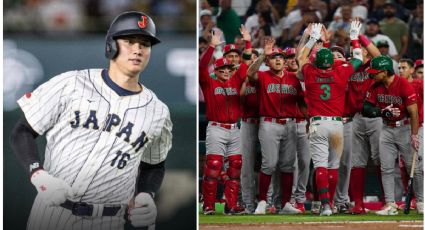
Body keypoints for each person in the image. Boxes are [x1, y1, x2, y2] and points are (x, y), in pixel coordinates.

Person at [10, 11, 172, 230]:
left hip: (109, 220)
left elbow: (155, 165)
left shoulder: (158, 111)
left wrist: (146, 194)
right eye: (129, 41)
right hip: (52, 214)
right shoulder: (72, 83)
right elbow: (21, 131)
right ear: (111, 45)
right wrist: (38, 175)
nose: (137, 49)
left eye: (145, 43)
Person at [296, 20, 363, 216]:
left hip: (318, 124)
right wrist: (353, 37)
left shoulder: (309, 72)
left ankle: (325, 205)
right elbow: (358, 58)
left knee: (320, 167)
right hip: (337, 124)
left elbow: (302, 57)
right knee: (334, 167)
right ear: (332, 62)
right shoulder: (341, 71)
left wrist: (313, 39)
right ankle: (331, 204)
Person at [247, 38, 307, 215]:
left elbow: (302, 103)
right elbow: (250, 74)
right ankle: (263, 201)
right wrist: (261, 57)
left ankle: (286, 203)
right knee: (269, 164)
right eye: (274, 57)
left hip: (290, 124)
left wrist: (309, 119)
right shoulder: (264, 75)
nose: (278, 60)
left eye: (280, 57)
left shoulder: (294, 78)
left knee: (288, 166)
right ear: (268, 61)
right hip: (269, 124)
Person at [364, 55, 422, 215]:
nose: (372, 75)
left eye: (376, 72)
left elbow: (414, 112)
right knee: (386, 168)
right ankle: (390, 203)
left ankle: (421, 201)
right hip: (386, 128)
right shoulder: (375, 85)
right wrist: (381, 111)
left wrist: (414, 135)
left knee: (413, 167)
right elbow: (366, 108)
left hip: (404, 128)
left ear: (385, 71)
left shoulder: (403, 84)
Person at [199, 29, 248, 215]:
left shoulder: (236, 81)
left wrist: (248, 44)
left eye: (229, 69)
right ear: (216, 71)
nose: (227, 71)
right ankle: (209, 205)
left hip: (234, 128)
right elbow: (202, 66)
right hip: (217, 128)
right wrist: (212, 46)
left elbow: (245, 65)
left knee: (235, 167)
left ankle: (231, 205)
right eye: (222, 69)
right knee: (213, 166)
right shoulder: (208, 82)